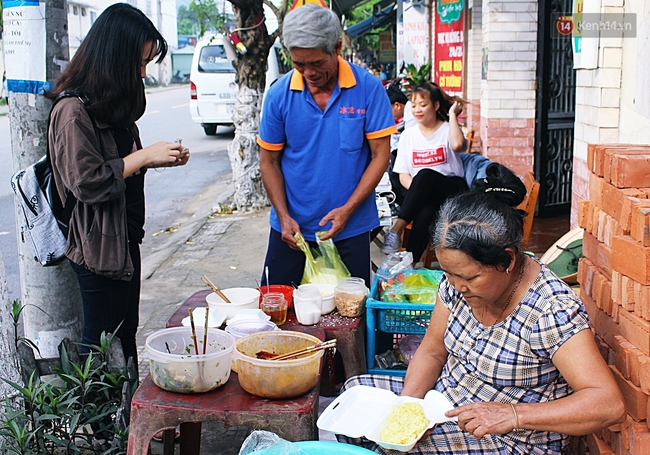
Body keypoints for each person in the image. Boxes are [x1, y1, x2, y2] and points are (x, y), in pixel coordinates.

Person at [340, 163, 626, 454]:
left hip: (510, 438)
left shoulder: (550, 310)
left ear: (508, 260)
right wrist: (407, 411)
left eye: (469, 277)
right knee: (353, 399)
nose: (456, 286)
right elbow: (432, 350)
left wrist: (513, 415)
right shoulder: (455, 284)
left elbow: (607, 404)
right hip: (447, 402)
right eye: (449, 274)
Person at [47, 3, 190, 364]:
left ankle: (126, 417)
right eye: (138, 63)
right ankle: (102, 420)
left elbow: (122, 166)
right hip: (97, 250)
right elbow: (87, 183)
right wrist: (143, 157)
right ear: (114, 57)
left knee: (125, 340)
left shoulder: (108, 106)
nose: (142, 73)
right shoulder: (72, 112)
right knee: (99, 347)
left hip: (125, 240)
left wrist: (159, 157)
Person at [258, 4, 396, 287]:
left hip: (351, 226)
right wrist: (283, 216)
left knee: (351, 318)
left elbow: (380, 156)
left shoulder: (368, 89)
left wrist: (347, 210)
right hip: (290, 230)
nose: (308, 72)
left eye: (316, 63)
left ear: (336, 47)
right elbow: (269, 161)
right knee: (275, 309)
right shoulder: (279, 95)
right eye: (299, 64)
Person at [380, 83, 469, 261]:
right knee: (425, 212)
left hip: (452, 192)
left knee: (425, 174)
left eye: (423, 105)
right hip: (426, 195)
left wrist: (452, 115)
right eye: (413, 105)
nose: (417, 110)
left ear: (436, 106)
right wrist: (420, 191)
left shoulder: (448, 129)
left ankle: (396, 229)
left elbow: (458, 145)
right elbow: (403, 174)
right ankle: (409, 264)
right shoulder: (408, 135)